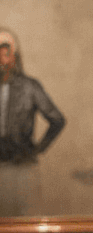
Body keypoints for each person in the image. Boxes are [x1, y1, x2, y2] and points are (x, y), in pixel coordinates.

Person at [0, 27, 66, 218]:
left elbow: (57, 120)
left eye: (6, 51)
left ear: (15, 55)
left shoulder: (30, 87)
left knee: (24, 222)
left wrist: (39, 148)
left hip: (22, 170)